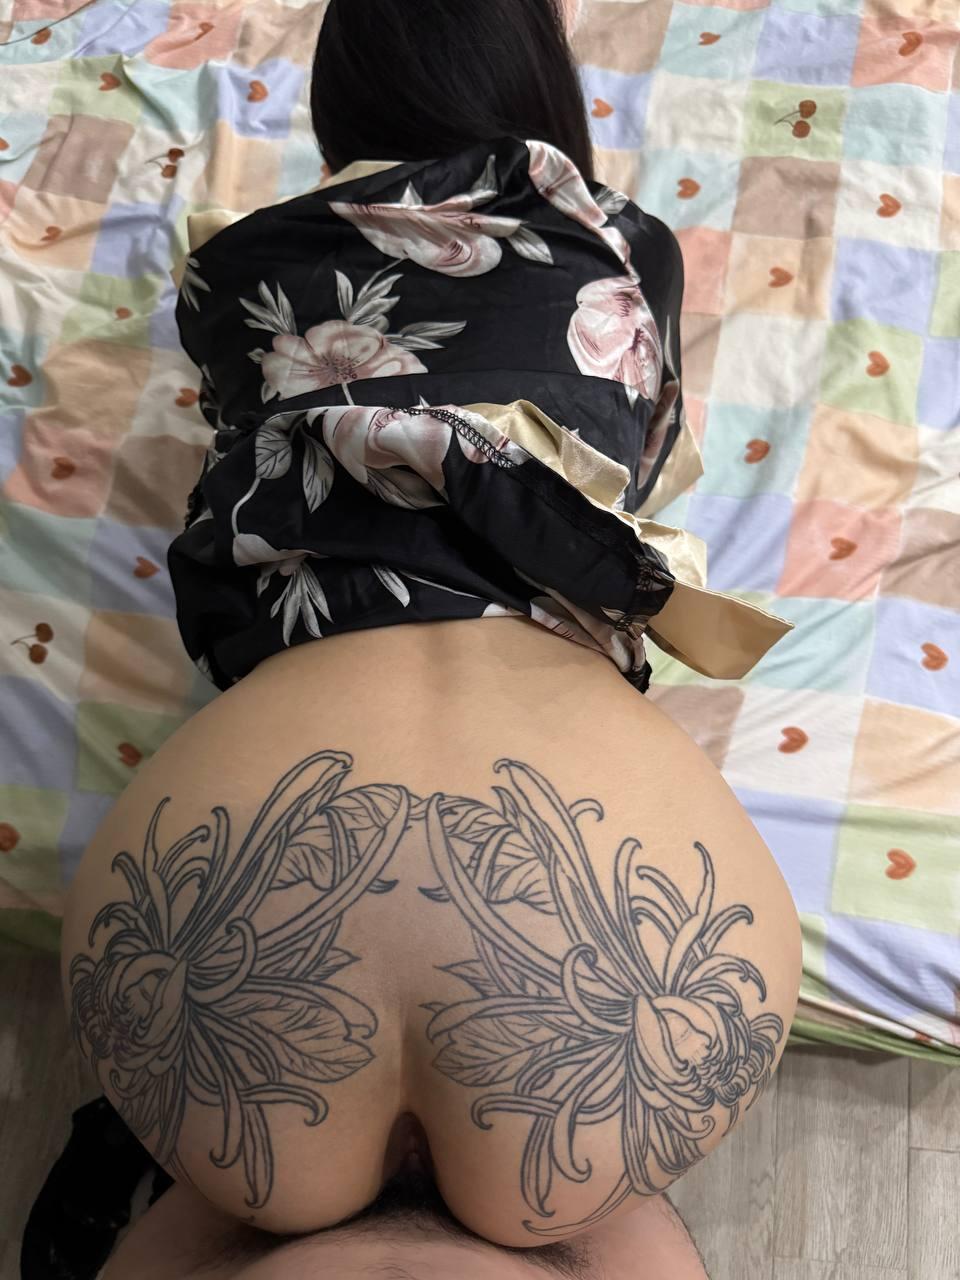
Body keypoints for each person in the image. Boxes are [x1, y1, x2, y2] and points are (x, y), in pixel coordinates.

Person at [57, 1, 802, 1276]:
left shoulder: (232, 264)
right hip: (610, 969)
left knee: (228, 1211)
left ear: (337, 105)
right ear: (545, 87)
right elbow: (640, 453)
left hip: (217, 943)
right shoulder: (627, 250)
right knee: (593, 1211)